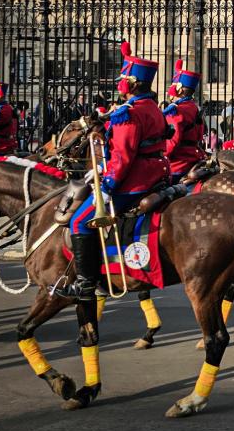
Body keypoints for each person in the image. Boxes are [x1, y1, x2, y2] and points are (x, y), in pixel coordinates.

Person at [58, 41, 169, 300]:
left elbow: (125, 156)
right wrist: (98, 166)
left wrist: (106, 186)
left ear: (130, 84)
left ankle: (85, 283)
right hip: (157, 172)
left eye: (122, 79)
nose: (120, 84)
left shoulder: (127, 113)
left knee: (79, 222)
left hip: (136, 179)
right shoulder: (152, 106)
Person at [163, 59, 206, 185]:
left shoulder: (176, 111)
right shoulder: (193, 107)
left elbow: (171, 143)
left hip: (178, 163)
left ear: (179, 90)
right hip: (195, 157)